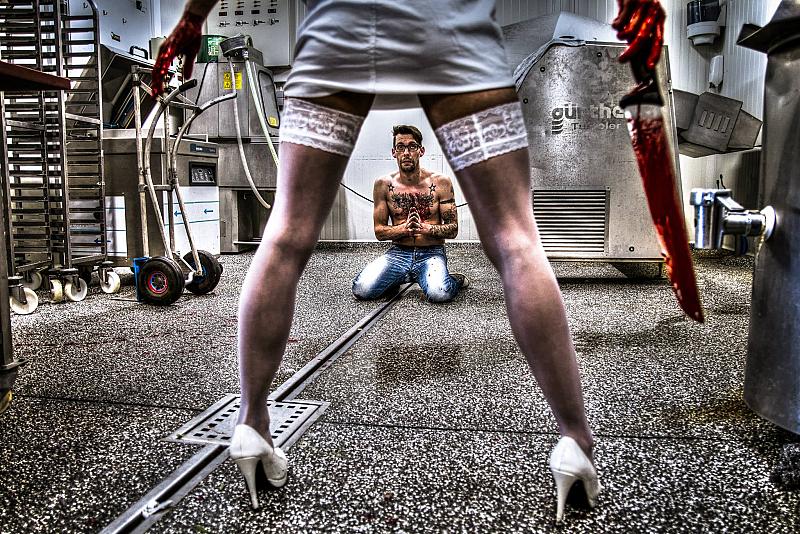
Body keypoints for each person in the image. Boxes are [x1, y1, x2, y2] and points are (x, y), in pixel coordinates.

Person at [152, 0, 664, 521]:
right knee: (515, 241)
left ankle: (251, 422)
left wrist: (191, 21)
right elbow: (389, 227)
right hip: (452, 32)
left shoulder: (433, 183)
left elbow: (444, 224)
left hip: (338, 33)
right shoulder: (387, 183)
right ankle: (575, 439)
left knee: (284, 237)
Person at [352, 124, 468, 303]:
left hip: (431, 252)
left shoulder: (441, 183)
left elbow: (453, 229)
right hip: (398, 254)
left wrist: (424, 228)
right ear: (394, 152)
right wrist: (405, 229)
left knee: (440, 293)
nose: (406, 152)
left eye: (412, 146)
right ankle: (399, 278)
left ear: (421, 151)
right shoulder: (383, 185)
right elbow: (379, 232)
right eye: (400, 147)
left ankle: (454, 280)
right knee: (361, 289)